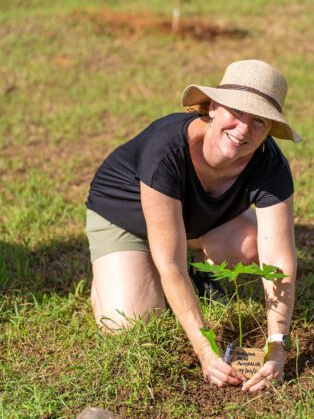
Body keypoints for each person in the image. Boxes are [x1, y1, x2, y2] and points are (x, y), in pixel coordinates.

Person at [85, 59, 301, 393]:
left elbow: (279, 262)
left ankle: (194, 273)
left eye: (258, 120)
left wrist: (277, 344)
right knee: (129, 323)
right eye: (237, 112)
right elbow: (169, 261)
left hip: (191, 225)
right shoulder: (166, 150)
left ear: (270, 129)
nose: (243, 128)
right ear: (213, 106)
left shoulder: (271, 165)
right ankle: (110, 273)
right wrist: (205, 349)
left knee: (253, 246)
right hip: (125, 221)